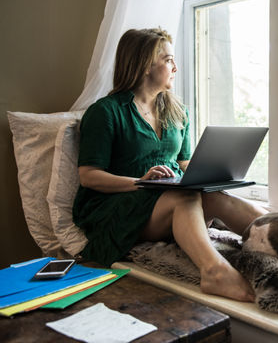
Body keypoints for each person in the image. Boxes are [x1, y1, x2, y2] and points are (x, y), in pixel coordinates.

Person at [72, 27, 266, 302]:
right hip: (117, 206)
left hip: (167, 195)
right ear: (144, 65)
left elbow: (184, 162)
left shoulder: (177, 111)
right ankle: (214, 271)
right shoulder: (105, 112)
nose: (175, 66)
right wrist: (141, 182)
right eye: (168, 59)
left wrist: (211, 176)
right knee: (183, 197)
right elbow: (89, 176)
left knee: (217, 198)